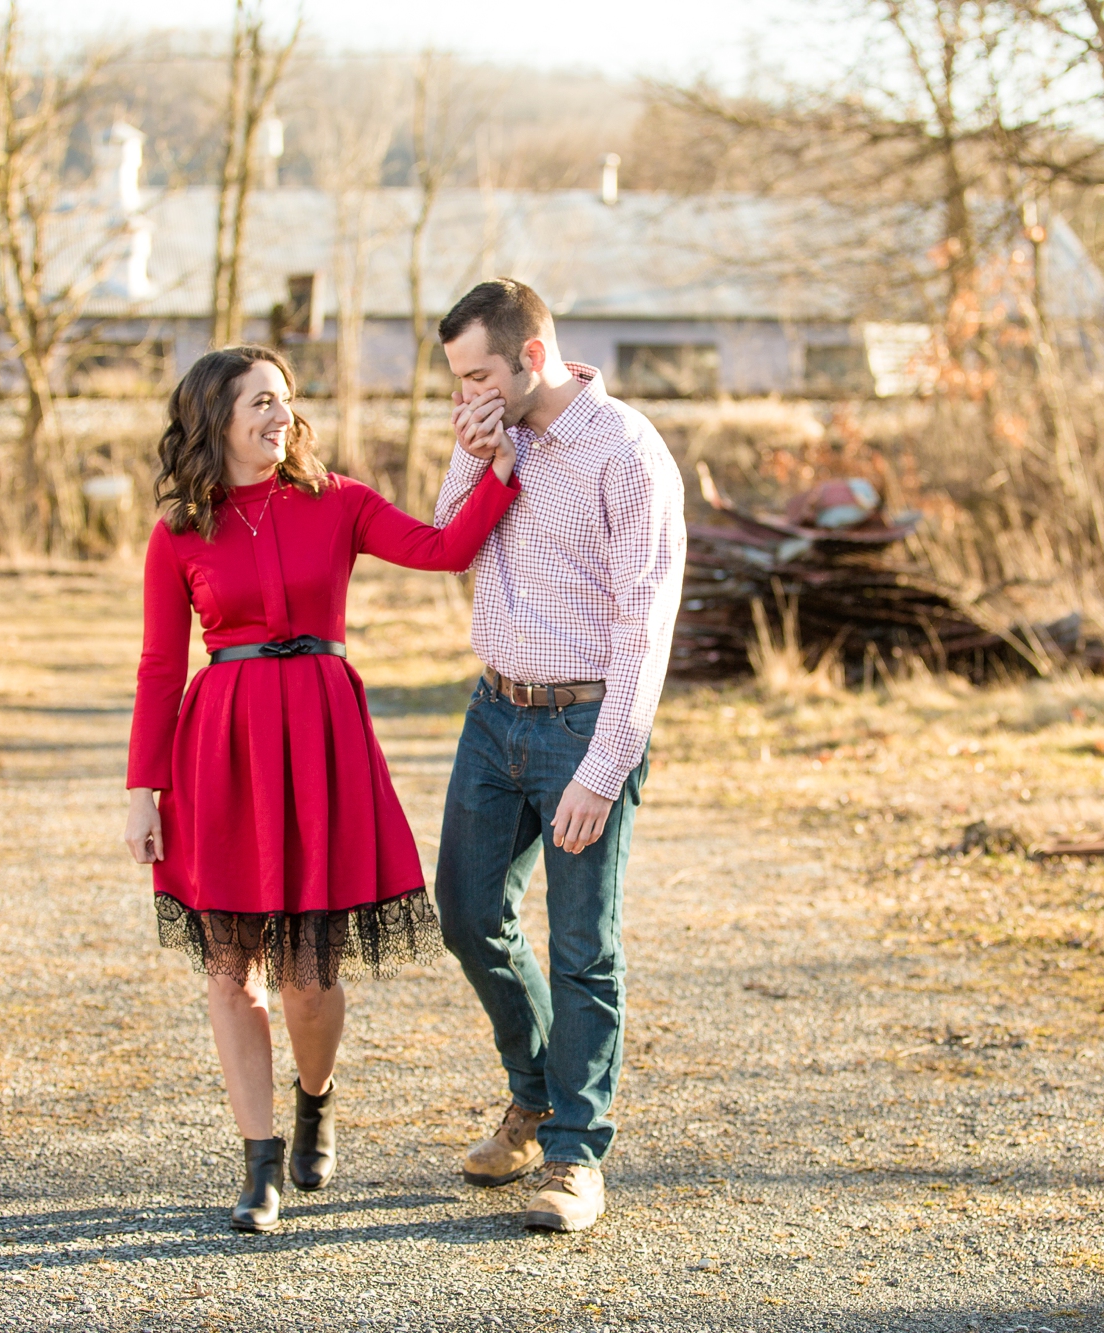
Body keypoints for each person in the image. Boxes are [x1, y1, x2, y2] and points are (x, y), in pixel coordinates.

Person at [123, 344, 520, 1234]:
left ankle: (316, 1095)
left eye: (286, 399)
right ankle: (259, 1160)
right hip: (221, 753)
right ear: (215, 417)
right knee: (232, 971)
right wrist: (142, 788)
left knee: (309, 976)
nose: (280, 414)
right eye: (261, 401)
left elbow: (446, 546)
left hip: (321, 742)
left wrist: (492, 470)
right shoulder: (180, 531)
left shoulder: (335, 500)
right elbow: (158, 666)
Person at [431, 279, 686, 1233]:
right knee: (465, 911)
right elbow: (455, 547)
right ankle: (533, 1094)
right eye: (455, 382)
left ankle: (577, 1156)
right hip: (494, 711)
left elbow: (644, 631)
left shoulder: (627, 454)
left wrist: (603, 765)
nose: (467, 396)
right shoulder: (493, 435)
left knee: (584, 948)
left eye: (478, 376)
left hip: (586, 721)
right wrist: (473, 455)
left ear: (530, 356)